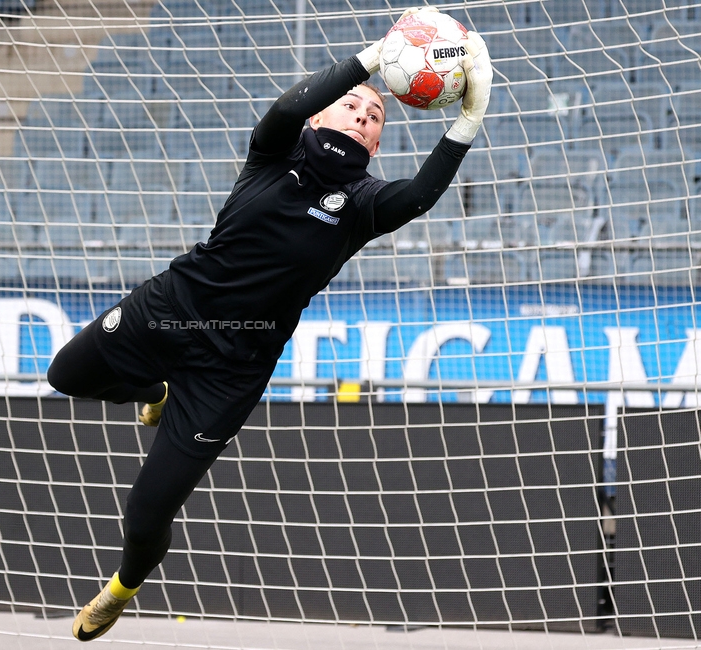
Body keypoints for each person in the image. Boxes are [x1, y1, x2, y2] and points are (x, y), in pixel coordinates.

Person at [46, 7, 492, 642]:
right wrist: (373, 60)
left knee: (146, 514)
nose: (365, 114)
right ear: (320, 115)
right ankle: (153, 391)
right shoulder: (272, 151)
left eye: (377, 117)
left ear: (374, 145)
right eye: (353, 106)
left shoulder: (362, 205)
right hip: (168, 312)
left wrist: (467, 121)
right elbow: (286, 113)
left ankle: (122, 588)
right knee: (64, 375)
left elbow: (417, 195)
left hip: (232, 372)